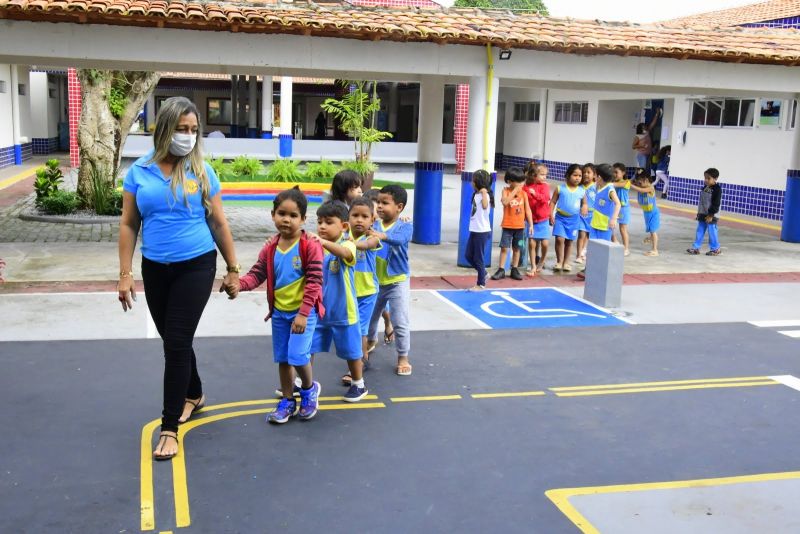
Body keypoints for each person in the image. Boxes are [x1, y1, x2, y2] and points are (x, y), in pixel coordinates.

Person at [117, 96, 240, 461]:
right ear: (165, 129)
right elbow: (128, 224)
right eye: (182, 129)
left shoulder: (202, 171)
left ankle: (170, 427)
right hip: (155, 268)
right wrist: (124, 274)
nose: (188, 136)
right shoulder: (139, 172)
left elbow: (218, 221)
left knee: (175, 341)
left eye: (193, 130)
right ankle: (194, 393)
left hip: (196, 265)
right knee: (175, 339)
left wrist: (233, 268)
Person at [235, 186, 325, 423]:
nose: (287, 219)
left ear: (304, 219)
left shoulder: (310, 246)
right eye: (282, 214)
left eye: (293, 215)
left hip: (303, 313)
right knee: (284, 359)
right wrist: (238, 285)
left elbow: (315, 281)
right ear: (272, 214)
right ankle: (287, 400)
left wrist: (304, 313)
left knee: (298, 356)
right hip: (280, 314)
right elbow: (256, 274)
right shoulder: (270, 248)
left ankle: (308, 389)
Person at [308, 201, 368, 402]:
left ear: (343, 226)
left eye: (328, 222)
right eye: (319, 222)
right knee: (308, 347)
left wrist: (323, 243)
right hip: (319, 311)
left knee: (352, 351)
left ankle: (358, 384)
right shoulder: (315, 247)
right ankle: (303, 383)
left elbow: (346, 254)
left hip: (344, 311)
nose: (322, 226)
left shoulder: (347, 243)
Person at [366, 185, 414, 376]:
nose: (379, 206)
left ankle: (403, 356)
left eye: (384, 203)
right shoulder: (374, 224)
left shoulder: (405, 226)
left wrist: (381, 235)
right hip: (375, 282)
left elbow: (399, 239)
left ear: (399, 207)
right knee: (369, 319)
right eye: (378, 202)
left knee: (400, 320)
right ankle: (369, 342)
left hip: (397, 281)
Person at [341, 197, 382, 386]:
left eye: (364, 216)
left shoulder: (372, 237)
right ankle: (358, 360)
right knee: (352, 329)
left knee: (360, 330)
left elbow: (366, 246)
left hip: (367, 292)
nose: (359, 220)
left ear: (372, 220)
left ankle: (359, 364)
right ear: (347, 218)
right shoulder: (344, 235)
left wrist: (349, 244)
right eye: (355, 215)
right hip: (349, 292)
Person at [364, 189, 394, 346]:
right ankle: (371, 338)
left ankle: (388, 323)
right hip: (369, 272)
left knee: (383, 309)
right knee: (373, 308)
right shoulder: (363, 226)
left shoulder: (384, 226)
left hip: (382, 272)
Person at [491, 167, 532, 281]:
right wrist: (514, 191)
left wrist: (531, 225)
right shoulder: (505, 191)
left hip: (520, 227)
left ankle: (514, 269)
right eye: (518, 182)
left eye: (522, 181)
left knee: (517, 248)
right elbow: (505, 202)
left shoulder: (524, 194)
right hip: (508, 226)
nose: (521, 184)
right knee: (504, 248)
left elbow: (527, 209)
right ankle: (501, 269)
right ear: (509, 181)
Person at [549, 164, 587, 273]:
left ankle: (566, 262)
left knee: (569, 241)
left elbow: (584, 203)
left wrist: (584, 207)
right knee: (560, 239)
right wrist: (550, 214)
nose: (577, 178)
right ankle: (559, 261)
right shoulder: (560, 188)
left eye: (580, 176)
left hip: (574, 220)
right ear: (568, 175)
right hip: (560, 218)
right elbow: (553, 202)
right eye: (575, 175)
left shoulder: (581, 190)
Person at [464, 169, 494, 290]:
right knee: (468, 256)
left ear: (478, 182)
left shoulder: (484, 194)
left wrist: (484, 192)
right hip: (475, 230)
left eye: (473, 180)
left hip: (482, 231)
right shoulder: (476, 194)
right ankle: (484, 273)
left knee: (478, 258)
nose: (471, 182)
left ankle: (481, 283)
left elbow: (486, 205)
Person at [523, 162, 551, 276]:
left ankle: (542, 260)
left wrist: (535, 195)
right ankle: (533, 265)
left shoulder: (545, 186)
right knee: (532, 243)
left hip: (543, 219)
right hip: (531, 221)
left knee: (544, 243)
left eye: (545, 175)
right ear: (534, 175)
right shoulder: (526, 187)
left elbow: (546, 199)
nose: (544, 177)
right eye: (542, 174)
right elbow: (525, 202)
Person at [687, 168, 723, 256]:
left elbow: (716, 204)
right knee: (700, 230)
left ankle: (715, 249)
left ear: (715, 179)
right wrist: (699, 214)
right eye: (705, 178)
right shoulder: (705, 188)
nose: (706, 180)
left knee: (712, 231)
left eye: (708, 178)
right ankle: (696, 248)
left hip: (712, 215)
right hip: (703, 214)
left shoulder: (717, 189)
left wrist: (711, 215)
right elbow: (702, 202)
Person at [630, 169, 660, 256]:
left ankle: (655, 250)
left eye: (640, 183)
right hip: (646, 213)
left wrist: (631, 186)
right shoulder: (641, 186)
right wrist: (636, 174)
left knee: (653, 231)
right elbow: (632, 182)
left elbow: (642, 191)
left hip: (653, 213)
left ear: (646, 180)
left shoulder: (650, 188)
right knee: (650, 229)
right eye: (638, 183)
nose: (639, 185)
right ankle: (651, 237)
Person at [575, 163, 597, 264]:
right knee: (581, 234)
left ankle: (583, 250)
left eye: (589, 172)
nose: (586, 174)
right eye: (584, 172)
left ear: (594, 175)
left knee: (588, 235)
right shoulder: (580, 187)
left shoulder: (596, 187)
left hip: (592, 215)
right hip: (582, 215)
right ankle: (578, 255)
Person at [612, 163, 632, 256]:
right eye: (613, 172)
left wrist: (607, 183)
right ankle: (615, 241)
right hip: (615, 208)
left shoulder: (626, 182)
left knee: (622, 228)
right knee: (610, 226)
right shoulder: (613, 183)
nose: (614, 174)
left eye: (616, 172)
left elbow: (617, 185)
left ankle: (626, 248)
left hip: (623, 209)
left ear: (623, 173)